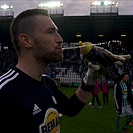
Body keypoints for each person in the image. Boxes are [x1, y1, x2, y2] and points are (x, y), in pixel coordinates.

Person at [0, 8, 131, 133]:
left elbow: (71, 108)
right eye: (50, 32)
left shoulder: (47, 82)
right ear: (26, 40)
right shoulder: (5, 92)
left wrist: (90, 77)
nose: (60, 39)